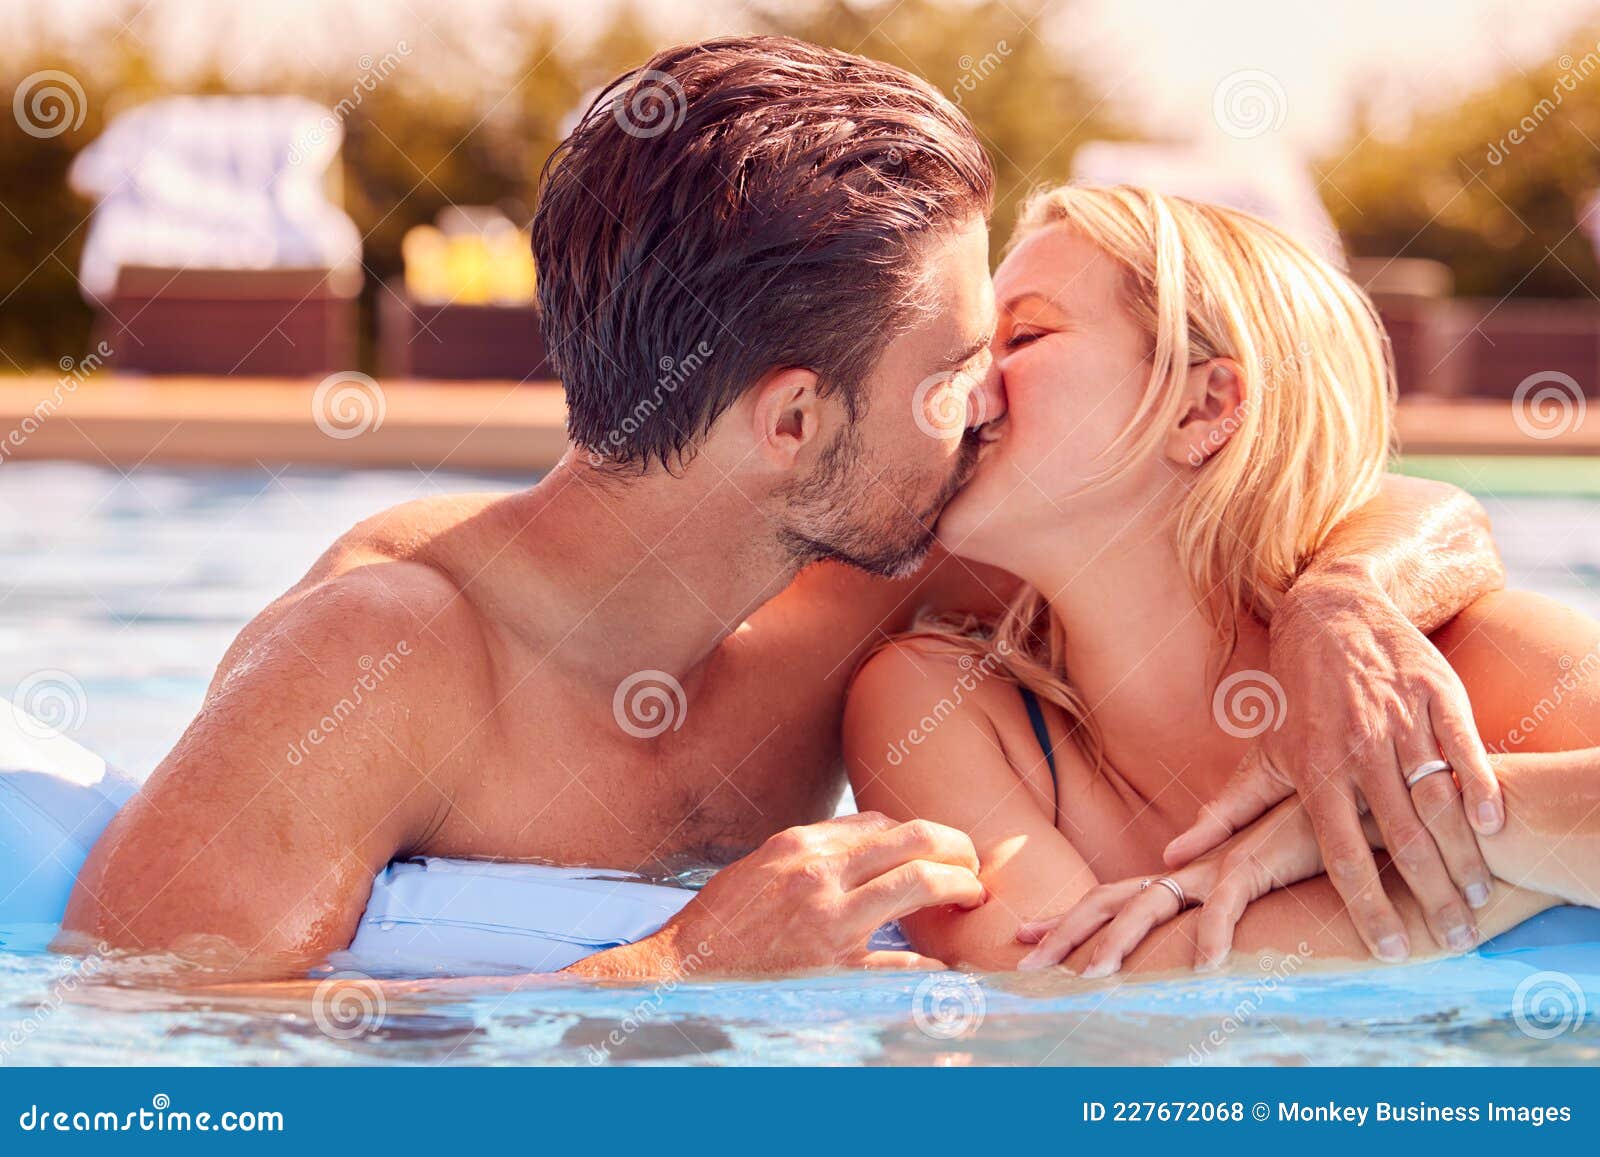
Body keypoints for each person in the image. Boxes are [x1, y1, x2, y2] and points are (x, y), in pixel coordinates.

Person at [63, 40, 1503, 982]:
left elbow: (1348, 501)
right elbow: (135, 1048)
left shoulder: (884, 569)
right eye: (955, 369)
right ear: (796, 422)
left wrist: (1348, 602)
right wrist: (675, 970)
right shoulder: (378, 662)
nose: (993, 400)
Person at [842, 184, 1600, 976]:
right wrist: (1503, 859)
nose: (962, 388)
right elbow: (1061, 1006)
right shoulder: (938, 703)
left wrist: (1390, 829)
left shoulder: (1442, 669)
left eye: (1023, 336)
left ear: (1204, 407)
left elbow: (1123, 986)